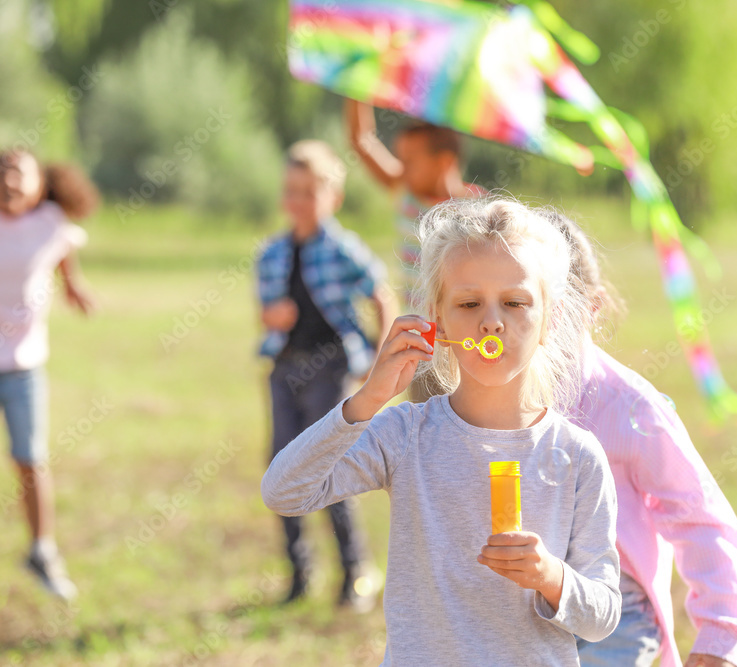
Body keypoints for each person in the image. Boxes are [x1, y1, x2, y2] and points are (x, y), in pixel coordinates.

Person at [263, 197, 622, 665]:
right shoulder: (406, 434)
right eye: (469, 303)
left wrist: (552, 577)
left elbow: (604, 613)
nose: (492, 320)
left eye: (515, 302)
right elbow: (284, 492)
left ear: (549, 321)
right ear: (438, 320)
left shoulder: (577, 455)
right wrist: (368, 399)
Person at [550, 213, 737, 667]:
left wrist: (720, 635)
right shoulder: (483, 400)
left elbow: (699, 515)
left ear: (592, 308)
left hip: (614, 618)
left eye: (553, 306)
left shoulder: (629, 407)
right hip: (515, 609)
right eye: (514, 303)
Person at [0, 150, 98, 600]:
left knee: (31, 461)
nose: (8, 182)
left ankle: (41, 552)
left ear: (40, 186)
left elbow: (63, 246)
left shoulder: (49, 222)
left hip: (24, 370)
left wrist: (73, 285)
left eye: (19, 174)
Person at [258, 140, 395, 611]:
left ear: (332, 197)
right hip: (284, 368)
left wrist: (380, 358)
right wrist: (272, 316)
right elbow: (266, 311)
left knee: (331, 468)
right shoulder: (272, 252)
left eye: (309, 191)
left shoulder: (341, 249)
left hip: (331, 368)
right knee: (280, 464)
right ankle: (299, 574)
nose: (298, 201)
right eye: (291, 191)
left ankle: (355, 571)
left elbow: (381, 293)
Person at [347, 101, 485, 402]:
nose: (401, 167)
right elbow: (362, 140)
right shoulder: (407, 194)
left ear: (444, 161)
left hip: (465, 346)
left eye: (410, 160)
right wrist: (357, 87)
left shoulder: (477, 212)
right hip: (422, 347)